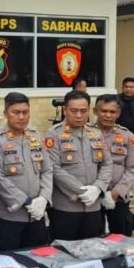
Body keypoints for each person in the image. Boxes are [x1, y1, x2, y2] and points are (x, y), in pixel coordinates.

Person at [45, 90, 112, 241]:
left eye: (83, 111)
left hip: (93, 206)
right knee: (64, 250)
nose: (79, 115)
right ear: (65, 110)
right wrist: (82, 190)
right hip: (66, 207)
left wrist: (97, 188)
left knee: (92, 248)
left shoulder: (95, 133)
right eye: (74, 111)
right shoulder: (53, 134)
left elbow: (107, 163)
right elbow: (54, 168)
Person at [0, 92, 52, 251]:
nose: (21, 117)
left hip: (37, 214)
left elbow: (47, 170)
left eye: (25, 112)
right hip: (9, 216)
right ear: (6, 113)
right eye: (16, 112)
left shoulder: (35, 136)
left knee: (37, 256)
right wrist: (26, 201)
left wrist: (43, 198)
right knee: (8, 258)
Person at [94, 94, 134, 236]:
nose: (108, 115)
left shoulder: (127, 136)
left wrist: (116, 192)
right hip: (92, 195)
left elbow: (133, 168)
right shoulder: (86, 133)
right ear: (95, 111)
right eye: (104, 111)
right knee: (93, 237)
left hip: (118, 195)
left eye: (112, 112)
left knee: (121, 237)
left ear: (118, 113)